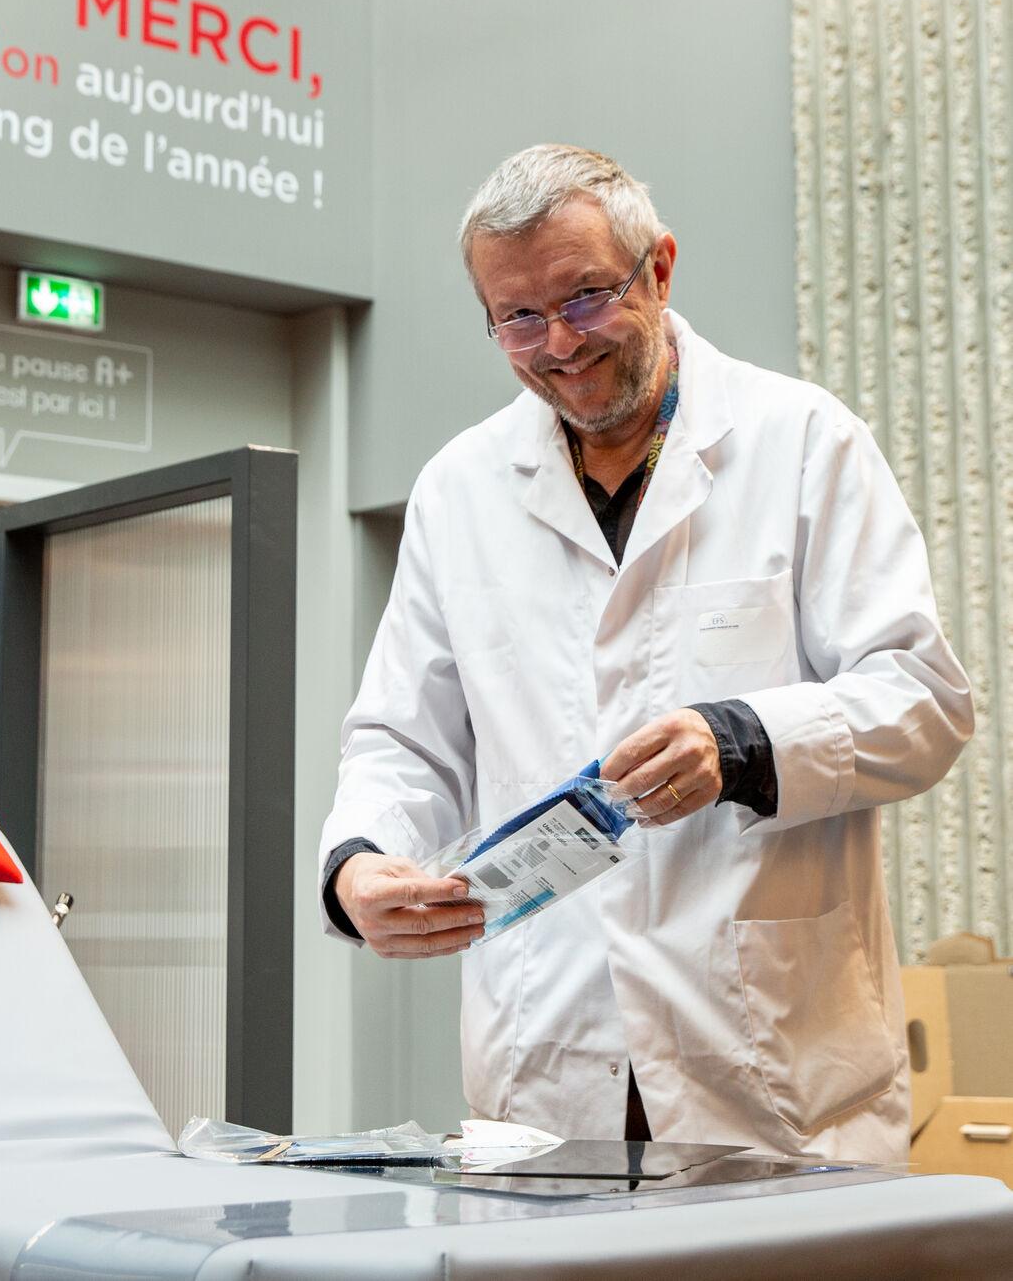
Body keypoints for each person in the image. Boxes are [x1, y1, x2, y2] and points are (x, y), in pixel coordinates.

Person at [318, 144, 973, 1164]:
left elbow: (923, 700)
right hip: (544, 1063)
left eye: (585, 297)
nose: (558, 343)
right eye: (517, 317)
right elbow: (403, 739)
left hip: (774, 1074)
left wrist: (744, 741)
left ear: (659, 269)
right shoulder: (459, 490)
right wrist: (357, 864)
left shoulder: (805, 442)